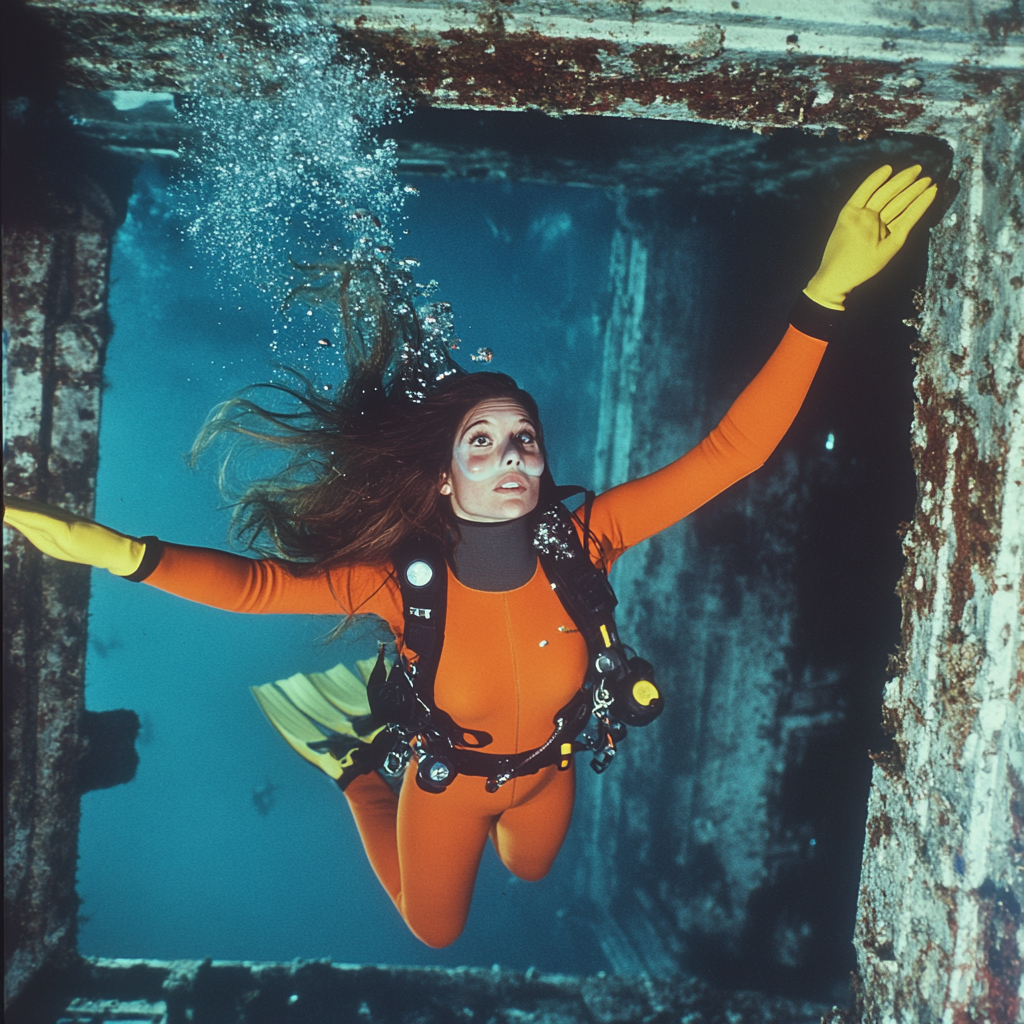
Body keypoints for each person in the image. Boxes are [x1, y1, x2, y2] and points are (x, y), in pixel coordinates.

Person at [3, 165, 938, 948]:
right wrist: (120, 552)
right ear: (445, 480)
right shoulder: (395, 582)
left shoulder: (587, 540)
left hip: (555, 759)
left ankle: (433, 790)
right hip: (446, 784)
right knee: (433, 931)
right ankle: (360, 773)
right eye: (481, 443)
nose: (511, 457)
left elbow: (732, 453)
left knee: (530, 868)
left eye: (523, 438)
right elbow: (256, 587)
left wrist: (829, 292)